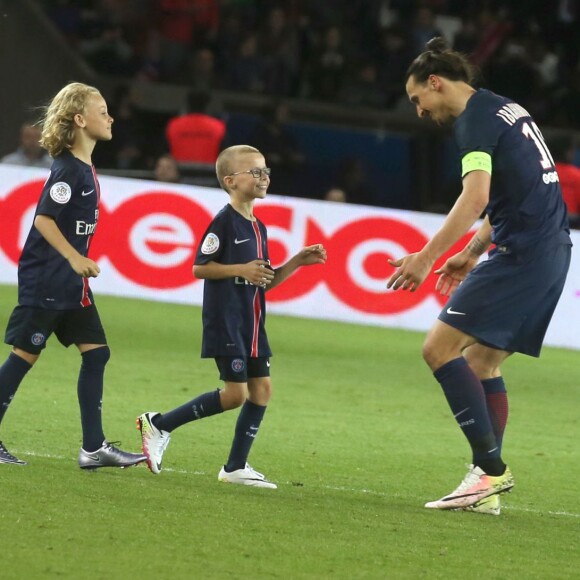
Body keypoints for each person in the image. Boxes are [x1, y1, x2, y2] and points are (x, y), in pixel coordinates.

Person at [387, 38, 572, 515]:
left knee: (438, 349)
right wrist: (471, 251)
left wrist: (426, 257)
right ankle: (483, 482)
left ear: (435, 82)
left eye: (417, 100)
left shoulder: (472, 123)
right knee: (482, 363)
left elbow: (474, 199)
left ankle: (491, 470)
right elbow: (508, 192)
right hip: (549, 250)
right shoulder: (505, 108)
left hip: (523, 253)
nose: (420, 112)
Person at [136, 145, 327, 487]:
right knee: (235, 394)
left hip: (253, 324)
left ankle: (235, 466)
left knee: (262, 390)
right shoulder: (223, 222)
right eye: (255, 171)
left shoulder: (259, 228)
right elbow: (199, 267)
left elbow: (262, 281)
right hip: (227, 321)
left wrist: (296, 261)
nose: (263, 176)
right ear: (231, 180)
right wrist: (240, 268)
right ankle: (161, 423)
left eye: (265, 170)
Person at [0, 82, 147, 469]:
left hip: (71, 283)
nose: (110, 116)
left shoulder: (83, 167)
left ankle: (93, 448)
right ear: (80, 120)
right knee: (25, 355)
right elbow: (44, 219)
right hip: (48, 277)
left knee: (97, 354)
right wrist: (73, 258)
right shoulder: (67, 171)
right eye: (102, 111)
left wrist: (76, 265)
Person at [165, 89, 226, 164]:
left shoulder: (173, 125)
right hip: (209, 173)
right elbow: (226, 155)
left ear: (187, 104)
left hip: (178, 173)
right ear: (207, 105)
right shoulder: (218, 127)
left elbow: (164, 153)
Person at [547, 133, 580, 229]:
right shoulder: (576, 175)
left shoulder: (539, 173)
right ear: (568, 152)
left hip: (543, 220)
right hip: (571, 223)